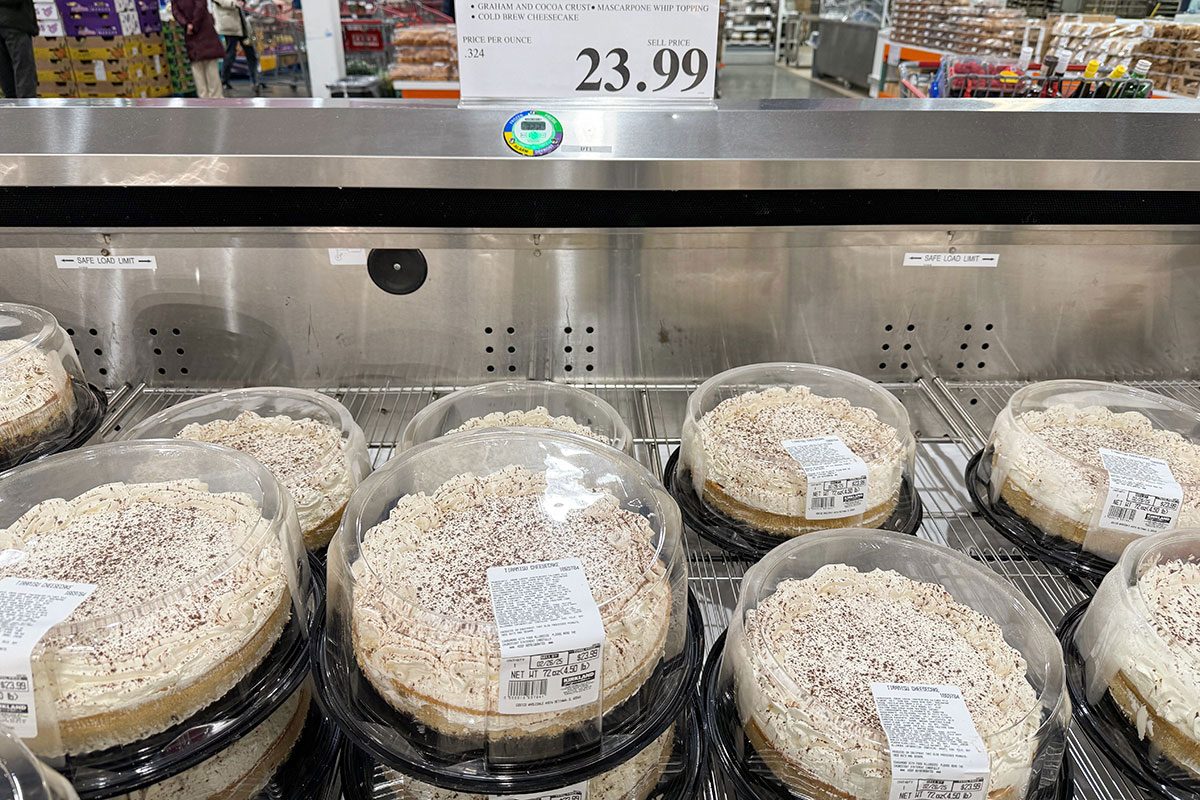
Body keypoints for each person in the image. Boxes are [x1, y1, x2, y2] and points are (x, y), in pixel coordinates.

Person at [172, 0, 225, 98]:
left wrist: (187, 25)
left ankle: (205, 100)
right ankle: (215, 99)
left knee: (198, 69)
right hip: (203, 31)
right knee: (209, 69)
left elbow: (175, 11)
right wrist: (191, 24)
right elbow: (200, 6)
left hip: (193, 33)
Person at [213, 0, 262, 94]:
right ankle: (224, 80)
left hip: (243, 25)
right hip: (229, 25)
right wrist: (234, 2)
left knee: (251, 53)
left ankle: (255, 81)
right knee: (230, 54)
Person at [0, 0, 37, 98]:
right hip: (16, 23)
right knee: (23, 71)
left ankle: (12, 108)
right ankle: (26, 110)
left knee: (5, 74)